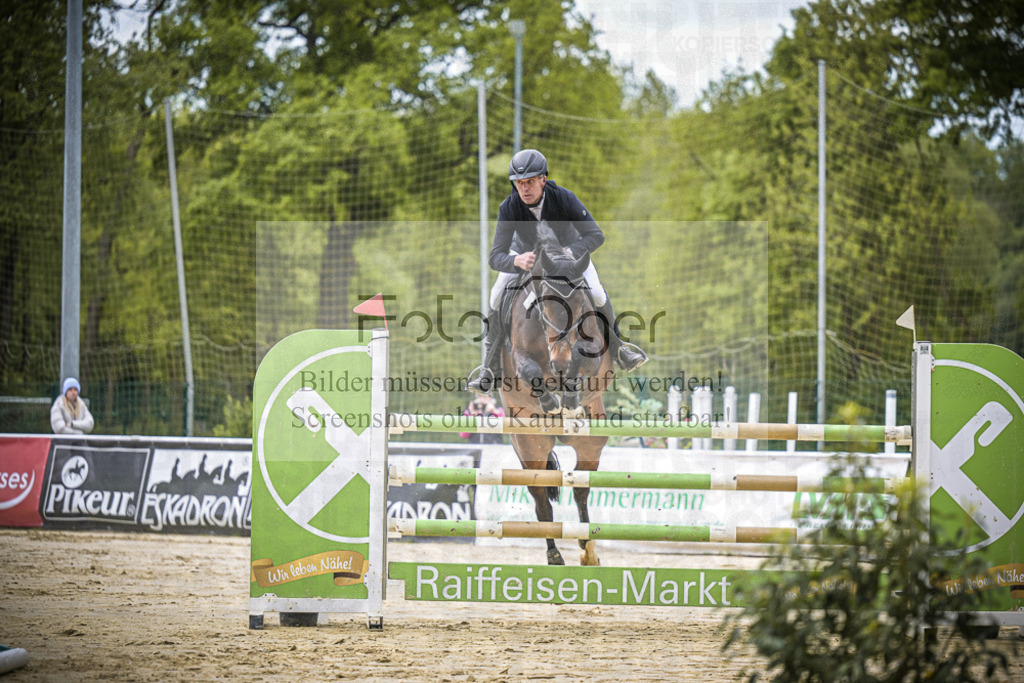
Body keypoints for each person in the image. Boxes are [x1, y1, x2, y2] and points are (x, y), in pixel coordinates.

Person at [467, 148, 648, 394]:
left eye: (529, 182)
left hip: (568, 258)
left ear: (543, 179)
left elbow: (595, 235)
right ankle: (489, 367)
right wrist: (516, 261)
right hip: (526, 255)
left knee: (596, 293)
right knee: (496, 295)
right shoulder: (509, 207)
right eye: (519, 183)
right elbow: (495, 257)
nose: (524, 189)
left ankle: (619, 348)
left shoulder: (563, 197)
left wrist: (570, 251)